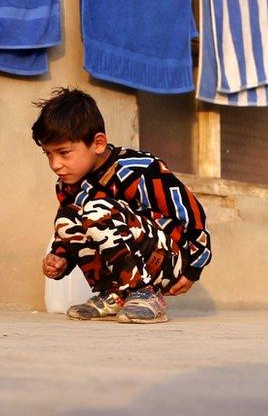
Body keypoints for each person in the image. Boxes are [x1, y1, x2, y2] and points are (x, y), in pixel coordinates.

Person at [35, 88, 212, 324]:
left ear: (98, 143)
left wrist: (193, 269)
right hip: (127, 260)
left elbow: (192, 214)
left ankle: (147, 294)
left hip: (168, 259)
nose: (55, 164)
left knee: (98, 210)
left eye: (64, 152)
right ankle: (114, 294)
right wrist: (60, 258)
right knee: (68, 216)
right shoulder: (69, 185)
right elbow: (74, 231)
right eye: (48, 154)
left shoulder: (139, 169)